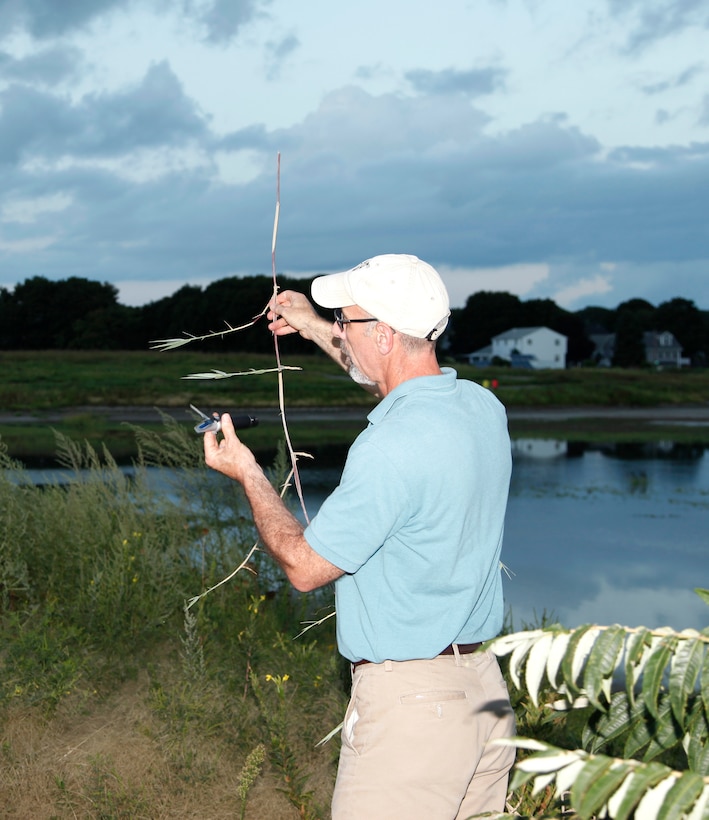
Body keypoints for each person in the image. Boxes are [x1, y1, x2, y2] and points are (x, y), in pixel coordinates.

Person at [203, 253, 516, 819]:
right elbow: (395, 384)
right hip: (484, 697)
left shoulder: (388, 448)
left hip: (415, 712)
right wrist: (316, 326)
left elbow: (304, 568)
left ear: (387, 334)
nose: (341, 331)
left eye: (347, 321)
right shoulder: (480, 407)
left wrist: (249, 472)